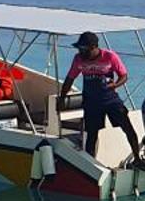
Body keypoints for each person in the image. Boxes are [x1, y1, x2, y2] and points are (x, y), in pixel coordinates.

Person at [60, 30, 140, 162]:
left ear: (93, 47)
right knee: (92, 134)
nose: (80, 51)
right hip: (91, 102)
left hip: (110, 99)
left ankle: (137, 158)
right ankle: (90, 163)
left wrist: (116, 85)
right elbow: (70, 79)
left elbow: (124, 75)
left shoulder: (110, 57)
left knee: (127, 127)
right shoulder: (78, 59)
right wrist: (62, 98)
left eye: (83, 48)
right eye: (79, 48)